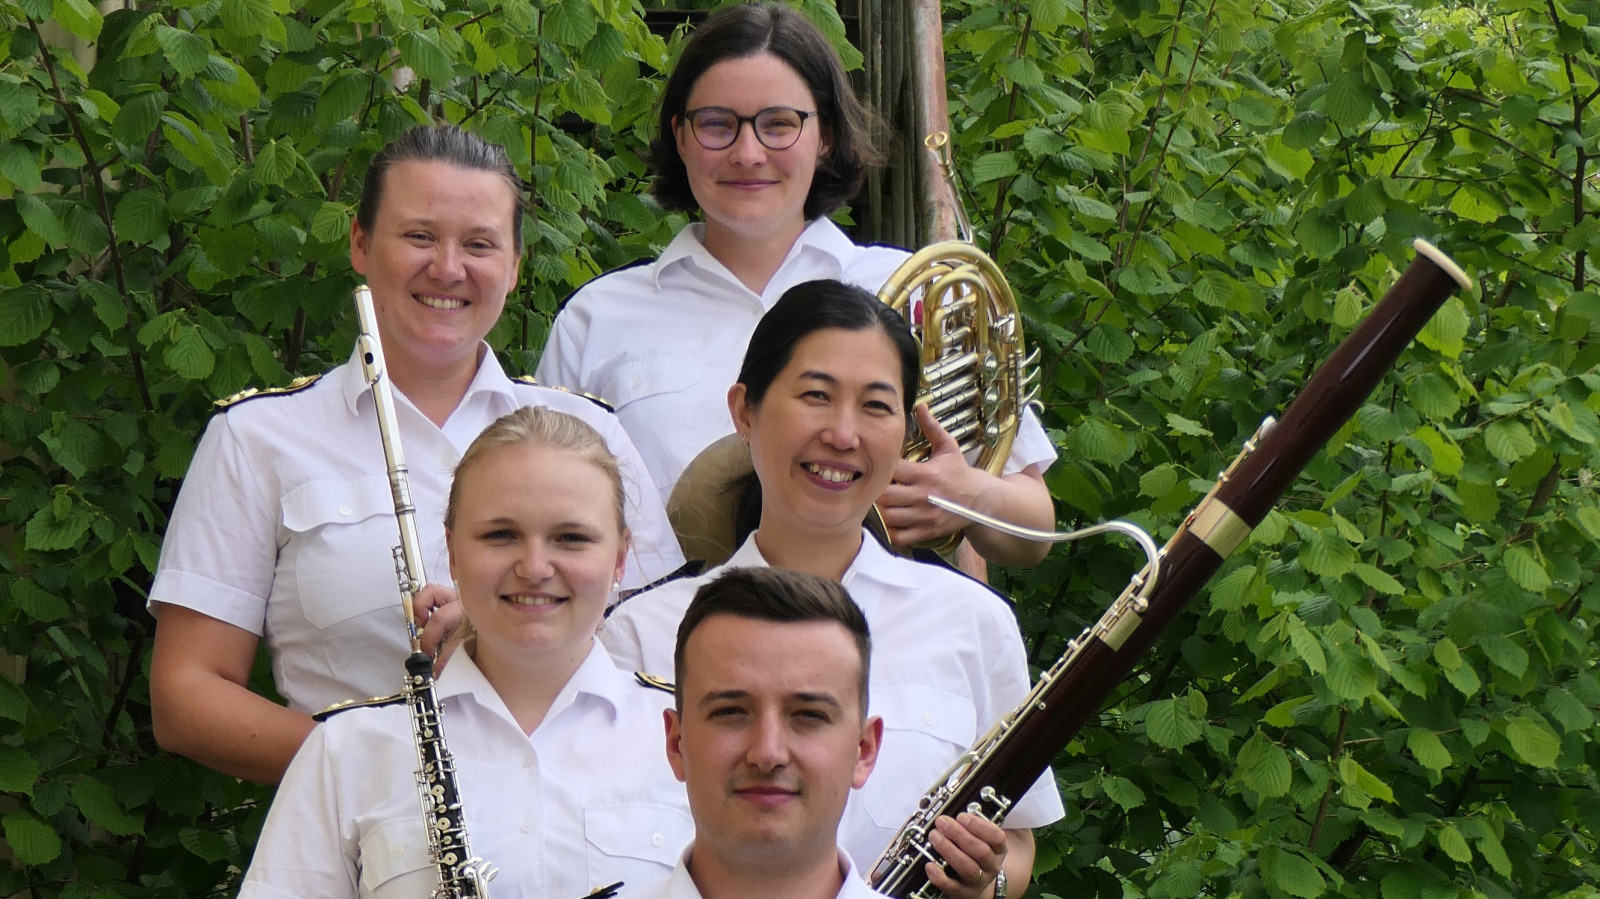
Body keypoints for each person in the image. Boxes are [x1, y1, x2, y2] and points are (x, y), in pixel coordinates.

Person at [149, 125, 685, 784]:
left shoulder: (590, 432)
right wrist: (388, 770)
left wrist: (509, 634)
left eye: (480, 244)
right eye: (420, 236)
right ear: (360, 243)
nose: (448, 268)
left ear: (516, 265)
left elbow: (667, 664)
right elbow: (186, 697)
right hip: (358, 828)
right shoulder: (258, 437)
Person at [536, 2, 1055, 566]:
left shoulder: (914, 291)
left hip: (871, 621)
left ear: (825, 135)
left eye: (779, 124)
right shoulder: (597, 317)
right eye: (717, 124)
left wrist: (971, 498)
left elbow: (1036, 530)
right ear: (680, 137)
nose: (748, 153)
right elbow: (539, 508)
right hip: (659, 622)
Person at [606, 280, 1062, 895]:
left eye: (876, 406)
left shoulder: (973, 620)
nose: (844, 435)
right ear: (745, 410)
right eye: (816, 396)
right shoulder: (641, 633)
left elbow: (1018, 842)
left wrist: (987, 882)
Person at [240, 407, 693, 899]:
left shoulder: (694, 737)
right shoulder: (347, 750)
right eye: (501, 535)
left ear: (620, 558)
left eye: (571, 538)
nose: (534, 567)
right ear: (453, 553)